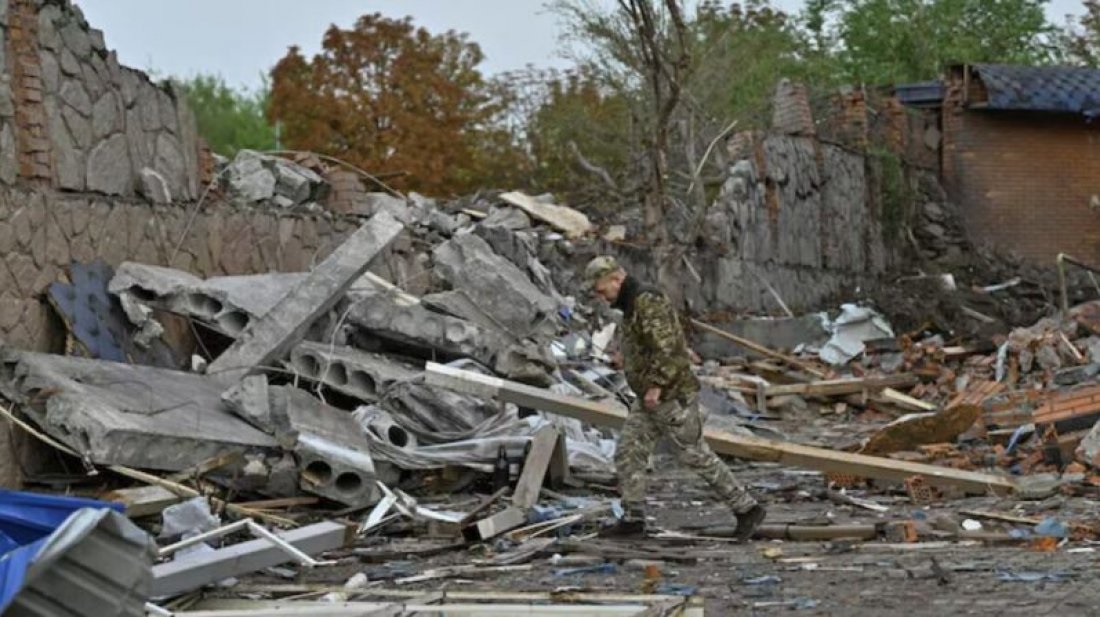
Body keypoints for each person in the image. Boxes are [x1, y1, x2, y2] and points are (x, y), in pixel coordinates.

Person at [584, 255, 765, 539]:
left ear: (616, 279)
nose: (600, 296)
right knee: (629, 451)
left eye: (601, 289)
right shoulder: (632, 305)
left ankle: (746, 508)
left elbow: (667, 347)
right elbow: (648, 344)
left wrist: (656, 385)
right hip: (649, 398)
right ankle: (633, 517)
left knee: (694, 454)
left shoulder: (646, 301)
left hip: (670, 396)